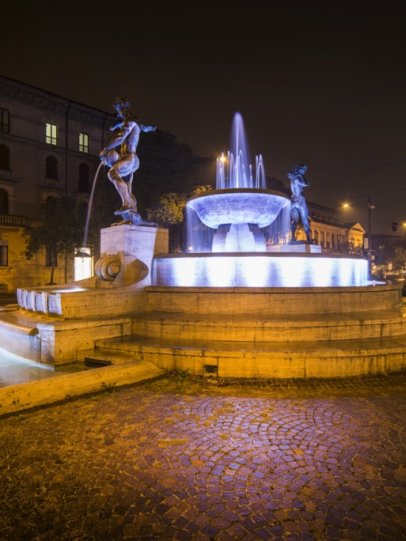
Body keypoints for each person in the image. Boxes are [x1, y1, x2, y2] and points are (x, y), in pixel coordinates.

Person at [99, 97, 156, 223]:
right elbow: (140, 126)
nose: (118, 113)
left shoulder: (130, 123)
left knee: (112, 173)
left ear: (124, 109)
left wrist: (105, 149)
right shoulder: (129, 122)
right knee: (127, 188)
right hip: (127, 159)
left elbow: (120, 138)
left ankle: (127, 205)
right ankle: (131, 214)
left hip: (130, 158)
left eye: (119, 109)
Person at [288, 164, 312, 243]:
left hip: (293, 200)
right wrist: (301, 176)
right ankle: (309, 238)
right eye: (302, 171)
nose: (303, 172)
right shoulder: (298, 178)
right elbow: (307, 183)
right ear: (299, 171)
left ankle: (292, 238)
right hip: (300, 200)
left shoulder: (292, 179)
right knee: (305, 220)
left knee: (294, 221)